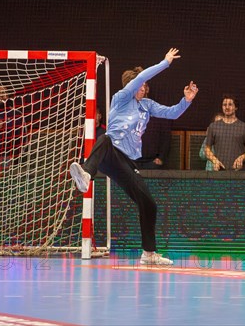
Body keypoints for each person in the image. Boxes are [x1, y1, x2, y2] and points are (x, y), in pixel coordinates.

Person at [69, 48, 198, 265]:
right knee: (105, 139)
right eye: (142, 85)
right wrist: (165, 62)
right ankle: (86, 175)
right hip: (111, 153)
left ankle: (149, 254)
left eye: (146, 86)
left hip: (127, 162)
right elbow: (141, 76)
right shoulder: (121, 98)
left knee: (148, 204)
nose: (145, 88)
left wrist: (186, 100)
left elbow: (171, 113)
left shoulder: (146, 106)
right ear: (133, 86)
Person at [204, 95, 245, 171]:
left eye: (230, 104)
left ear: (236, 107)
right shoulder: (213, 126)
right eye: (224, 105)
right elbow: (207, 149)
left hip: (238, 173)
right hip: (219, 172)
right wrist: (214, 160)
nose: (227, 107)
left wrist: (242, 158)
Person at [136, 84, 172, 170]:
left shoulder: (157, 110)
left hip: (152, 162)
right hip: (132, 161)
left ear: (147, 89)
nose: (141, 90)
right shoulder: (126, 111)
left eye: (143, 86)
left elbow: (166, 136)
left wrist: (161, 158)